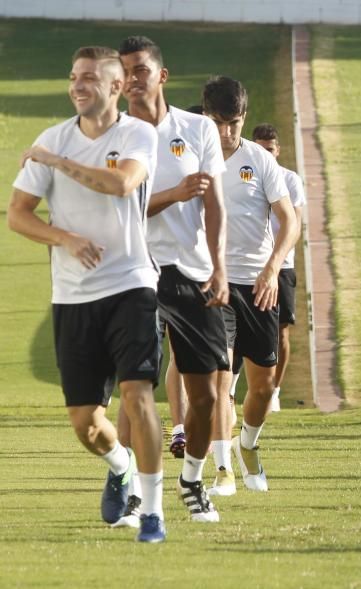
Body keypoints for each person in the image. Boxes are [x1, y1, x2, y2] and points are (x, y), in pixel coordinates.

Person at [7, 46, 166, 542]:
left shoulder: (137, 134)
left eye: (90, 78)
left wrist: (58, 161)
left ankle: (153, 513)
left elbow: (122, 184)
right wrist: (65, 239)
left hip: (132, 282)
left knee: (138, 394)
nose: (78, 85)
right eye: (74, 77)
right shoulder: (50, 137)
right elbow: (18, 213)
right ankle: (119, 465)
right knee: (85, 423)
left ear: (116, 87)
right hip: (73, 295)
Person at [118, 35, 229, 520]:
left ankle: (192, 481)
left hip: (195, 273)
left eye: (140, 69)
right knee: (136, 389)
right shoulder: (115, 136)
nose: (131, 80)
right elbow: (120, 209)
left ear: (161, 75)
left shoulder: (199, 128)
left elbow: (214, 203)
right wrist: (173, 193)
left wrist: (221, 268)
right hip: (137, 270)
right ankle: (135, 490)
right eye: (123, 73)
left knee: (205, 397)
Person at [202, 76, 296, 493]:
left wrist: (273, 268)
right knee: (221, 377)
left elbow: (290, 222)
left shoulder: (260, 160)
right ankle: (222, 469)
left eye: (235, 123)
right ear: (205, 116)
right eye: (219, 122)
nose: (226, 132)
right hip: (212, 283)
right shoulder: (191, 157)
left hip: (258, 284)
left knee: (262, 386)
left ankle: (248, 446)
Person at [252, 123, 306, 413]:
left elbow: (294, 223)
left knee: (281, 331)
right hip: (249, 265)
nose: (266, 155)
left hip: (281, 265)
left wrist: (277, 258)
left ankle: (274, 389)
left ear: (278, 150)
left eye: (270, 150)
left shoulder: (289, 179)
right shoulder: (245, 177)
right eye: (260, 150)